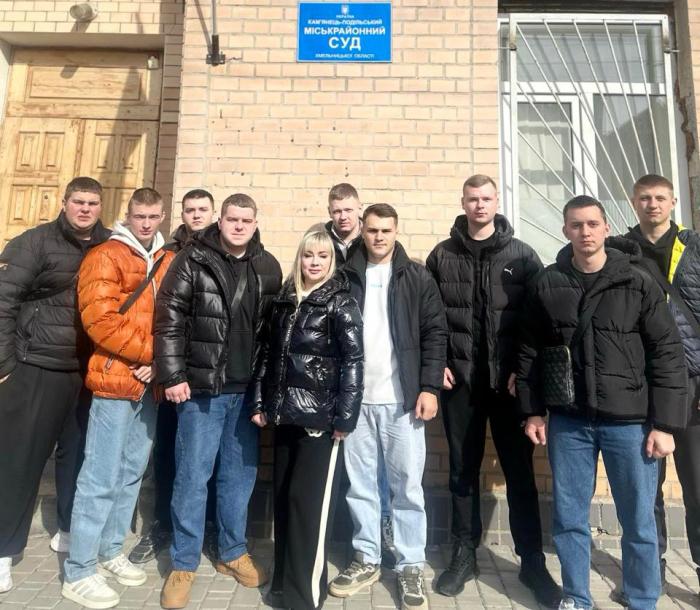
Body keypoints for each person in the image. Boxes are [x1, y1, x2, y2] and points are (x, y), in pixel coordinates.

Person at [516, 195, 688, 610]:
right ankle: (577, 597)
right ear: (565, 230)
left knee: (638, 519)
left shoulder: (638, 281)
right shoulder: (548, 282)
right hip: (569, 421)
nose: (585, 232)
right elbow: (529, 351)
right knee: (569, 518)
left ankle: (643, 598)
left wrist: (665, 424)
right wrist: (532, 410)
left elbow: (667, 353)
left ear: (607, 228)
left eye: (593, 224)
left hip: (629, 422)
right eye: (576, 225)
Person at [425, 174, 560, 605]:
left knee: (519, 473)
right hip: (461, 383)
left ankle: (532, 561)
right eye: (472, 199)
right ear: (463, 202)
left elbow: (536, 323)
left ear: (497, 201)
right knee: (462, 470)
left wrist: (524, 372)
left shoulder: (522, 256)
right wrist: (438, 363)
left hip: (508, 385)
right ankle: (464, 553)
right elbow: (431, 318)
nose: (479, 205)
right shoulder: (442, 255)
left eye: (486, 198)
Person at [155, 193, 282, 610]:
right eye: (232, 219)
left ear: (255, 222)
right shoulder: (192, 260)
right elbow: (168, 318)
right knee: (192, 477)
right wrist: (173, 375)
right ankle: (184, 563)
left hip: (246, 395)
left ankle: (232, 551)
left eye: (246, 220)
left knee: (238, 477)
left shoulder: (268, 266)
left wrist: (267, 391)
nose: (239, 226)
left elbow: (272, 334)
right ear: (220, 220)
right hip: (202, 392)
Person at [330, 204, 447, 610]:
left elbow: (435, 333)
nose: (379, 237)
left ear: (396, 231)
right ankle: (367, 556)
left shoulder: (416, 276)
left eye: (386, 230)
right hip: (356, 400)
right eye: (372, 230)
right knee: (361, 485)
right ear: (362, 231)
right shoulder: (345, 276)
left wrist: (429, 387)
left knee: (407, 487)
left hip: (403, 401)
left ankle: (410, 564)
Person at [61, 187, 174, 609]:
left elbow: (177, 316)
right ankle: (79, 569)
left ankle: (110, 550)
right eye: (139, 216)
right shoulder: (105, 255)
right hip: (114, 380)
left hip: (150, 383)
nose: (145, 223)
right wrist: (151, 355)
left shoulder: (167, 258)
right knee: (100, 475)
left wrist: (160, 363)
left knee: (130, 472)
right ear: (128, 215)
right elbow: (99, 320)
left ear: (162, 216)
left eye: (153, 216)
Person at [0, 177, 110, 593]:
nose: (85, 209)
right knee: (19, 462)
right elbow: (3, 299)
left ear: (101, 207)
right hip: (36, 368)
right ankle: (4, 551)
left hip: (85, 372)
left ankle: (68, 531)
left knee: (79, 459)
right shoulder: (35, 242)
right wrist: (5, 364)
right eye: (78, 202)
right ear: (64, 203)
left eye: (92, 203)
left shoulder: (109, 245)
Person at [251, 225, 364, 610]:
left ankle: (305, 596)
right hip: (284, 417)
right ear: (299, 258)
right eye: (308, 255)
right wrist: (259, 402)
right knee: (285, 500)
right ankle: (284, 584)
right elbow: (267, 355)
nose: (314, 262)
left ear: (332, 261)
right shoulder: (285, 300)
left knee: (308, 507)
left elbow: (354, 362)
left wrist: (345, 417)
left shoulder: (341, 302)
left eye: (322, 256)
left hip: (320, 421)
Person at [129, 188, 218, 565]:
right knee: (166, 451)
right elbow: (158, 313)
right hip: (171, 372)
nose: (196, 215)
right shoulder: (167, 254)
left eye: (203, 209)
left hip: (208, 373)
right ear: (180, 214)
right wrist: (160, 361)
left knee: (208, 459)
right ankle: (163, 525)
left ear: (213, 213)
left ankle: (208, 529)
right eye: (190, 209)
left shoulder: (224, 251)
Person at [621, 174, 700, 597]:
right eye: (644, 198)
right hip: (641, 382)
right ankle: (649, 572)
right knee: (645, 489)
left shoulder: (695, 247)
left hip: (692, 381)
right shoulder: (619, 250)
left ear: (672, 203)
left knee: (698, 486)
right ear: (634, 202)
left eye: (660, 198)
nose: (652, 205)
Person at [324, 182, 395, 563]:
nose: (343, 216)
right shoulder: (322, 244)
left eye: (348, 210)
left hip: (379, 372)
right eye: (337, 210)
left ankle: (383, 528)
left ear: (360, 211)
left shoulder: (373, 250)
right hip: (338, 368)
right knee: (350, 458)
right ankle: (348, 534)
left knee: (378, 463)